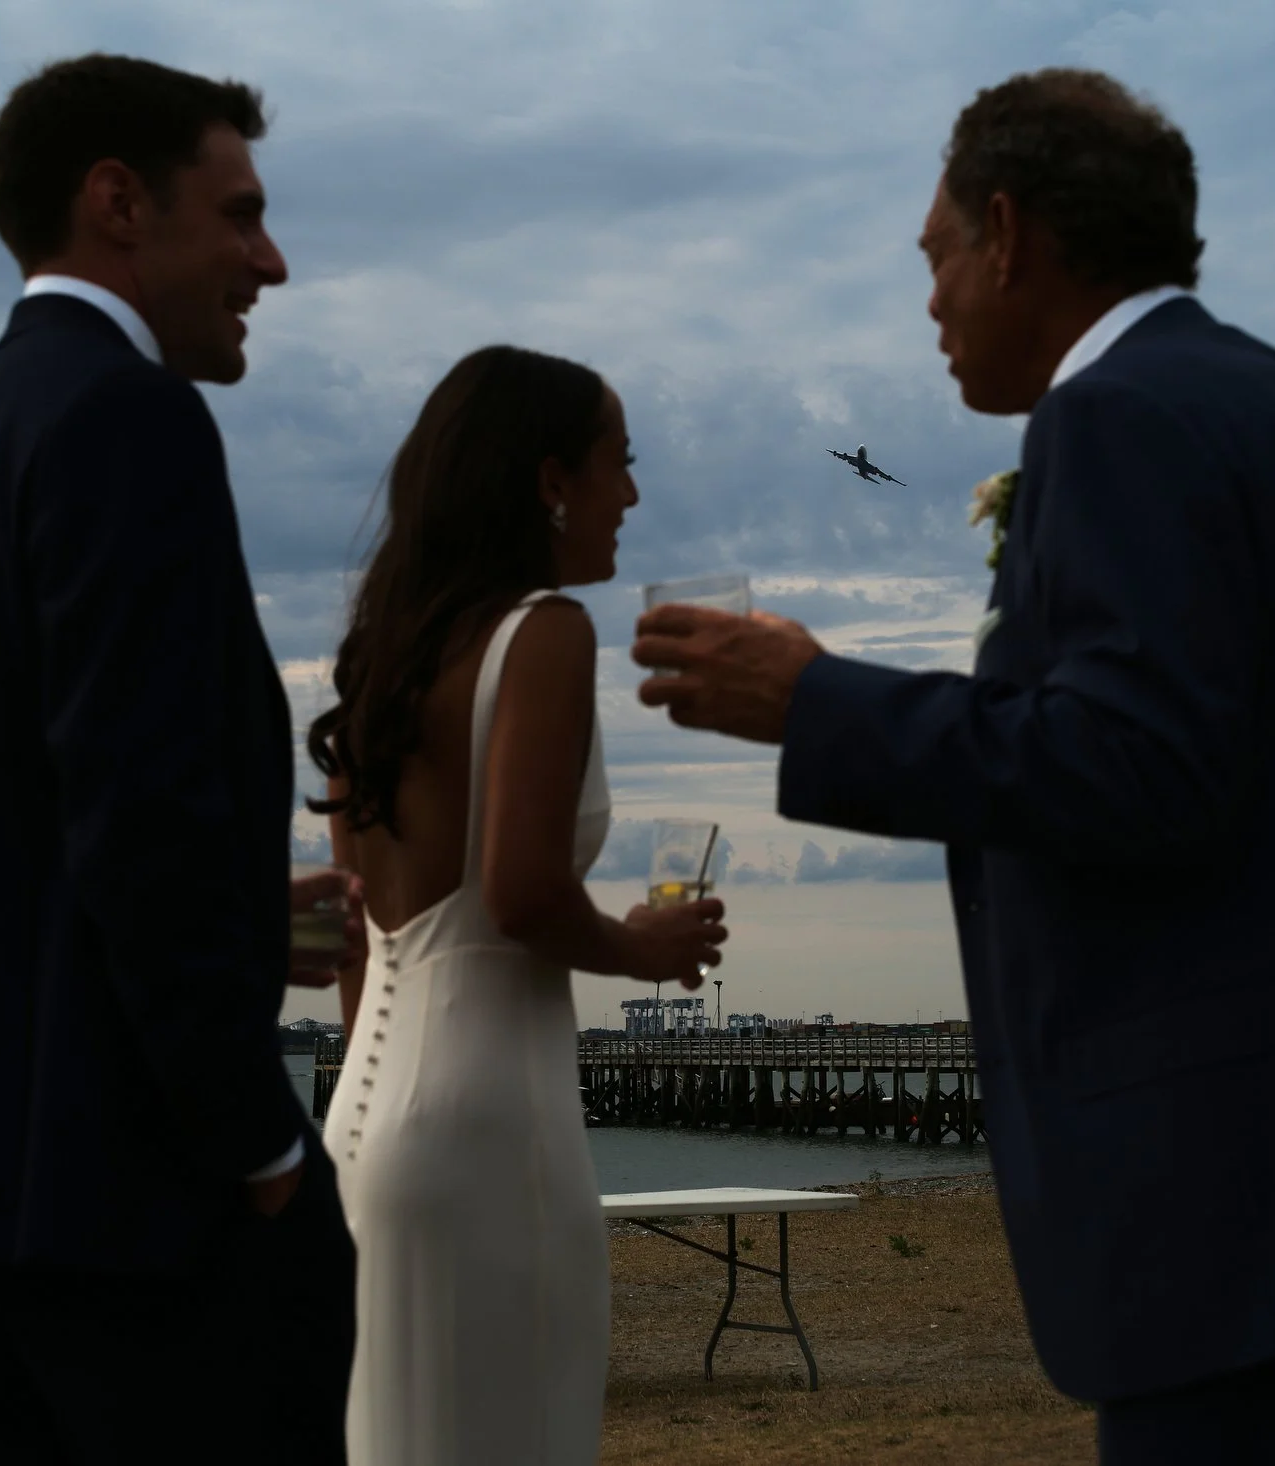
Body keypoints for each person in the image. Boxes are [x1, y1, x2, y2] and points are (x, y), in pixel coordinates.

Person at [631, 69, 1275, 1463]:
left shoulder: (1115, 420)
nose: (930, 303)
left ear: (1011, 232)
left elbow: (1140, 765)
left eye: (936, 257)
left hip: (1256, 1188)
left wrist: (817, 701)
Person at [0, 55, 356, 1464]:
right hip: (132, 1209)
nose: (272, 260)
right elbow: (139, 820)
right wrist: (262, 1144)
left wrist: (248, 910)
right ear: (119, 202)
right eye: (239, 213)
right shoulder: (131, 418)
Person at [307, 345, 727, 1465]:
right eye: (617, 463)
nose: (630, 495)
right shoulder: (542, 631)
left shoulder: (376, 662)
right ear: (550, 478)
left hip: (360, 1121)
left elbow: (345, 930)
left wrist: (385, 1093)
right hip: (488, 1130)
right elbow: (524, 889)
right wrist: (642, 947)